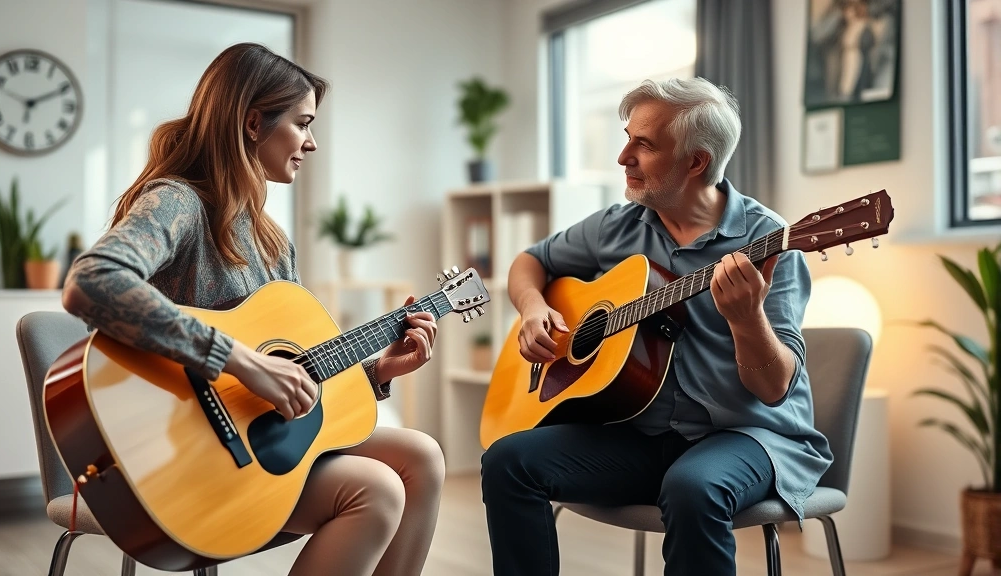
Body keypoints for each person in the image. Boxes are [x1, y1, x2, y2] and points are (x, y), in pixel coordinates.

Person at [61, 43, 444, 576]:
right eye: (303, 123)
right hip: (181, 455)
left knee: (423, 456)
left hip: (260, 440)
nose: (312, 143)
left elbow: (298, 370)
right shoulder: (178, 201)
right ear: (252, 123)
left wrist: (379, 372)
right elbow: (91, 281)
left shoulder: (271, 240)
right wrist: (239, 360)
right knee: (376, 489)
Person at [480, 77, 833, 576]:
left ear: (696, 162)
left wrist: (748, 317)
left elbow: (773, 389)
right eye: (627, 138)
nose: (623, 156)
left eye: (643, 144)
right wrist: (534, 308)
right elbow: (529, 261)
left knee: (693, 486)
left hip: (749, 437)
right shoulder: (616, 226)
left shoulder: (768, 243)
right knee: (507, 461)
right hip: (640, 436)